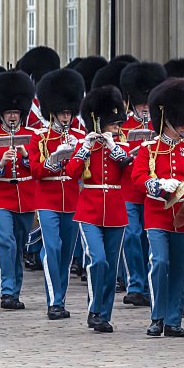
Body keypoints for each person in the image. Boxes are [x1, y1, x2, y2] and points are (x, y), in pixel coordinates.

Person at [131, 78, 184, 338]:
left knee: (181, 267)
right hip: (157, 214)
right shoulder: (149, 149)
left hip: (183, 215)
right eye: (180, 122)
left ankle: (174, 319)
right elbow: (138, 177)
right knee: (159, 262)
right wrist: (157, 184)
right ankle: (157, 315)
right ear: (166, 119)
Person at [67, 86, 135, 333]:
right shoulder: (87, 146)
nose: (118, 129)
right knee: (98, 260)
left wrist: (114, 147)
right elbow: (71, 172)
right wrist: (85, 147)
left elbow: (130, 172)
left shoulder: (121, 147)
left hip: (115, 211)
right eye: (114, 125)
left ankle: (103, 315)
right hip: (90, 210)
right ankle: (93, 309)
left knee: (111, 267)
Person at [30, 68, 87, 319]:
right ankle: (54, 301)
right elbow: (35, 169)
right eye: (62, 112)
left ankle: (60, 298)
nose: (66, 117)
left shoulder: (80, 136)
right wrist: (53, 160)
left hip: (72, 199)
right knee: (51, 247)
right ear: (52, 111)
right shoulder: (39, 137)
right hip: (47, 199)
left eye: (68, 112)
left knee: (65, 253)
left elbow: (82, 171)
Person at [0, 71, 40, 310]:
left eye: (16, 112)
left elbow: (38, 167)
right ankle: (6, 290)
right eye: (9, 112)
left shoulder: (32, 137)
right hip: (0, 195)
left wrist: (26, 156)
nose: (13, 116)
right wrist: (2, 163)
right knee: (5, 241)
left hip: (25, 197)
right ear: (2, 113)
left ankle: (15, 291)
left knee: (18, 245)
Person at [119, 61, 168, 308]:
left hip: (152, 191)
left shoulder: (161, 127)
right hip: (129, 190)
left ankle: (150, 284)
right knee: (132, 235)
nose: (145, 110)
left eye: (147, 105)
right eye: (141, 105)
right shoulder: (122, 127)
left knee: (150, 238)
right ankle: (135, 284)